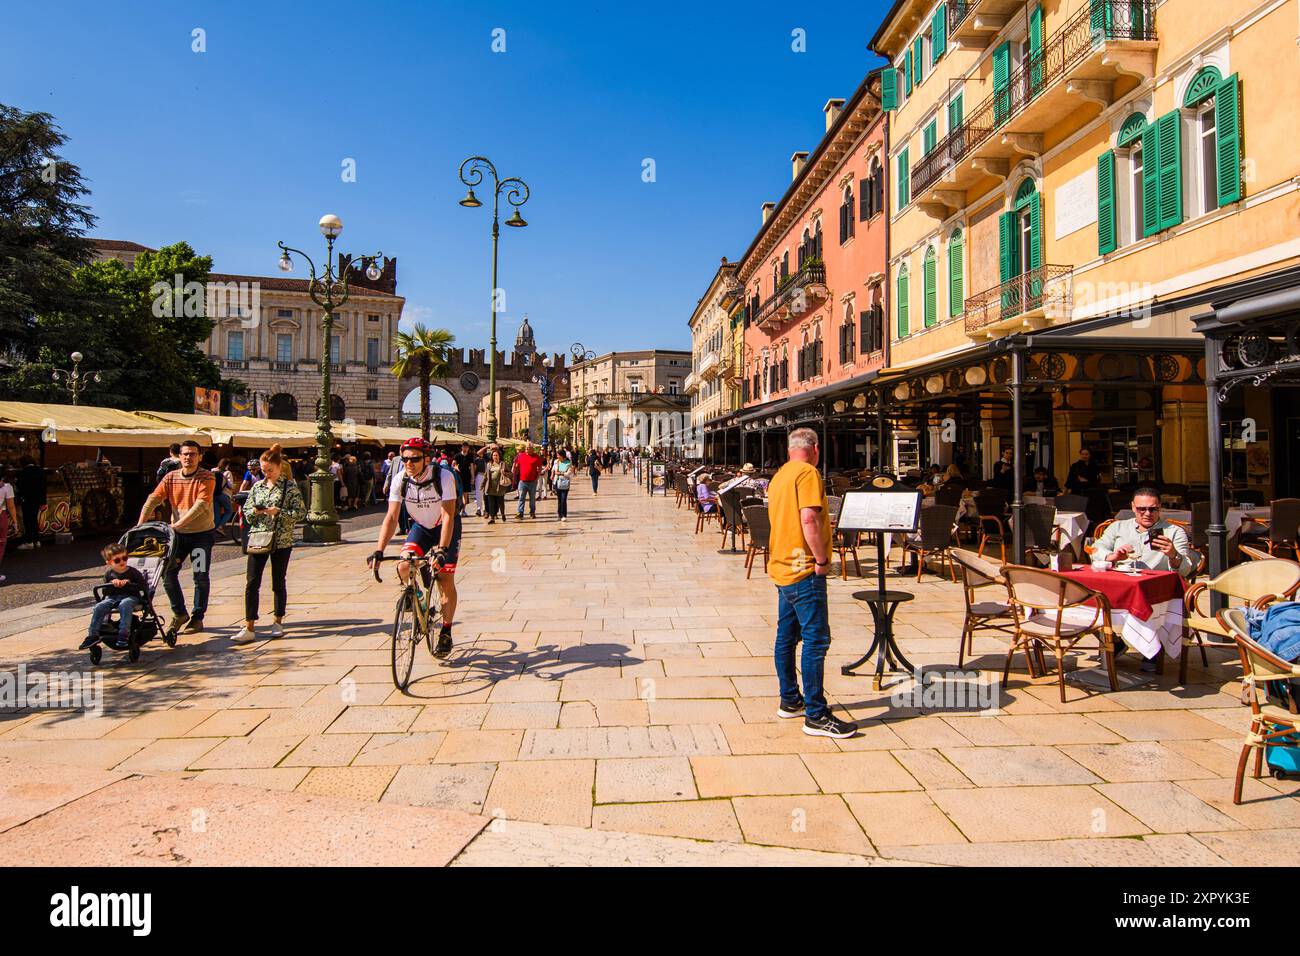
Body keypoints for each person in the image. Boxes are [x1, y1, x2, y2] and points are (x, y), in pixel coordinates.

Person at [766, 427, 857, 739]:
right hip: (804, 568)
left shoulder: (779, 476)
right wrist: (821, 559)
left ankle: (790, 700)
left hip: (781, 567)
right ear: (815, 449)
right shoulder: (807, 474)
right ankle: (816, 715)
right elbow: (809, 518)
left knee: (786, 638)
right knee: (816, 640)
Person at [368, 437, 461, 658]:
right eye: (405, 459)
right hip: (421, 527)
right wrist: (379, 550)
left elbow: (448, 515)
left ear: (426, 459)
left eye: (415, 459)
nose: (409, 463)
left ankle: (446, 632)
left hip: (445, 527)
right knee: (402, 566)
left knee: (444, 580)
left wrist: (442, 550)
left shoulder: (443, 477)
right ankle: (421, 600)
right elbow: (391, 517)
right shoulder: (401, 480)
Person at [137, 440, 215, 635]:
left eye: (193, 454)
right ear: (179, 456)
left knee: (200, 576)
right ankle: (179, 613)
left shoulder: (207, 477)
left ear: (200, 457)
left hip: (201, 535)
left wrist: (179, 523)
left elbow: (201, 505)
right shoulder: (170, 477)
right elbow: (153, 499)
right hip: (178, 537)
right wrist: (140, 525)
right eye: (185, 454)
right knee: (168, 572)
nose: (189, 457)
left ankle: (197, 617)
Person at [234, 444, 306, 644]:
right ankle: (249, 626)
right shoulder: (257, 486)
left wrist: (279, 512)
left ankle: (278, 622)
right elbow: (246, 511)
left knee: (278, 581)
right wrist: (255, 512)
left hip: (281, 539)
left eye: (269, 470)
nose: (266, 474)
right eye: (263, 470)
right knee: (252, 582)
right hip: (258, 537)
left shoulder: (289, 487)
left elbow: (300, 513)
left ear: (279, 467)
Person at [1095, 488, 1197, 577]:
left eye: (1153, 509)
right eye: (1142, 509)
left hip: (1156, 586)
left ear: (1160, 507)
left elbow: (1185, 571)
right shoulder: (1118, 527)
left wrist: (1174, 555)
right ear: (1133, 507)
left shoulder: (1174, 531)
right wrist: (1112, 556)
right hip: (1122, 581)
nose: (1148, 513)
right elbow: (1095, 549)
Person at [79, 543, 147, 650]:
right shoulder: (109, 574)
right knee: (99, 606)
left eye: (124, 558)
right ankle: (93, 635)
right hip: (113, 597)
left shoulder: (133, 572)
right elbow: (105, 592)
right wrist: (111, 583)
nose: (122, 562)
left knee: (125, 604)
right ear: (109, 562)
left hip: (131, 597)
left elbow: (143, 587)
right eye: (117, 560)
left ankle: (124, 634)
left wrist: (129, 583)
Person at [15, 457, 46, 550]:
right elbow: (43, 487)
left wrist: (19, 497)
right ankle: (37, 540)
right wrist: (43, 501)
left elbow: (19, 487)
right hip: (37, 500)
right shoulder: (40, 471)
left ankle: (29, 541)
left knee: (27, 520)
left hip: (27, 500)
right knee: (34, 519)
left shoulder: (22, 473)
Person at [514, 442, 543, 519]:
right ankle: (520, 512)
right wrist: (515, 470)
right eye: (526, 447)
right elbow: (517, 466)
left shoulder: (536, 457)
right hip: (522, 481)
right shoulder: (521, 456)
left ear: (532, 449)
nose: (527, 449)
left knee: (532, 498)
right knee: (521, 498)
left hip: (532, 482)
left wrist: (537, 477)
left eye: (529, 447)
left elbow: (540, 467)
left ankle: (532, 512)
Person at [483, 447, 510, 523]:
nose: (495, 457)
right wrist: (482, 485)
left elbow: (510, 474)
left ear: (499, 456)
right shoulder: (489, 464)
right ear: (492, 456)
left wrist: (504, 473)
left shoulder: (503, 464)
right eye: (494, 455)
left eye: (496, 455)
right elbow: (486, 475)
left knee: (500, 502)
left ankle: (503, 514)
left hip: (500, 487)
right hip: (490, 486)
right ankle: (492, 518)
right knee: (491, 503)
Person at [550, 449, 574, 522]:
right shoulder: (556, 462)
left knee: (564, 499)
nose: (557, 456)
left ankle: (564, 515)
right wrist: (552, 474)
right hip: (557, 482)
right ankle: (559, 514)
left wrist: (561, 473)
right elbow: (553, 469)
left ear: (562, 455)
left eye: (558, 455)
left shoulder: (568, 463)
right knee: (559, 499)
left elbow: (569, 473)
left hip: (564, 482)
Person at [0, 469, 15, 583]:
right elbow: (11, 506)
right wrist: (15, 521)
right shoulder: (7, 487)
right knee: (0, 544)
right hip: (1, 516)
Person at [455, 443, 475, 516]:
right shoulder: (457, 456)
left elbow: (472, 467)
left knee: (465, 494)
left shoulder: (470, 456)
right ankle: (458, 510)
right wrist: (456, 468)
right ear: (462, 447)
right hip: (458, 477)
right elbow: (453, 464)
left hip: (467, 476)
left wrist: (473, 478)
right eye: (464, 447)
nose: (465, 448)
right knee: (458, 494)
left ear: (468, 448)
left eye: (467, 447)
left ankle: (463, 510)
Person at [472, 446, 487, 517]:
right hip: (480, 475)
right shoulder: (477, 459)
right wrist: (473, 477)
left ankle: (485, 509)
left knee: (486, 493)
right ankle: (479, 509)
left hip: (487, 476)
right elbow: (474, 468)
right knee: (479, 493)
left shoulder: (489, 457)